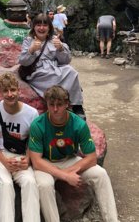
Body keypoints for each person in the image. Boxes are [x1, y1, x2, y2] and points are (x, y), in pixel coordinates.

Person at [29, 85, 119, 222]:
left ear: (67, 104)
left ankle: (112, 219)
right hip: (46, 164)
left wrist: (68, 172)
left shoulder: (78, 124)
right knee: (44, 185)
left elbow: (91, 158)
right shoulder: (38, 124)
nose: (54, 109)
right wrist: (64, 175)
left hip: (69, 159)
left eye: (59, 105)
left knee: (101, 174)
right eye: (51, 104)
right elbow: (36, 161)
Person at [0, 73, 40, 222]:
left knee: (29, 182)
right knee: (6, 184)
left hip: (20, 156)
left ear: (18, 90)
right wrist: (4, 162)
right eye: (6, 91)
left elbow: (33, 142)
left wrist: (27, 161)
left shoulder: (31, 113)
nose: (10, 94)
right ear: (0, 92)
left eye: (13, 90)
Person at [19, 13, 86, 119]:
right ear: (34, 27)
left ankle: (77, 106)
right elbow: (23, 61)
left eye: (45, 25)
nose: (41, 28)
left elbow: (66, 61)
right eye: (38, 25)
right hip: (38, 73)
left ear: (49, 27)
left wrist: (60, 49)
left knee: (71, 71)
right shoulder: (28, 40)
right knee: (58, 76)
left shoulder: (55, 39)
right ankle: (65, 102)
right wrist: (31, 50)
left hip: (55, 69)